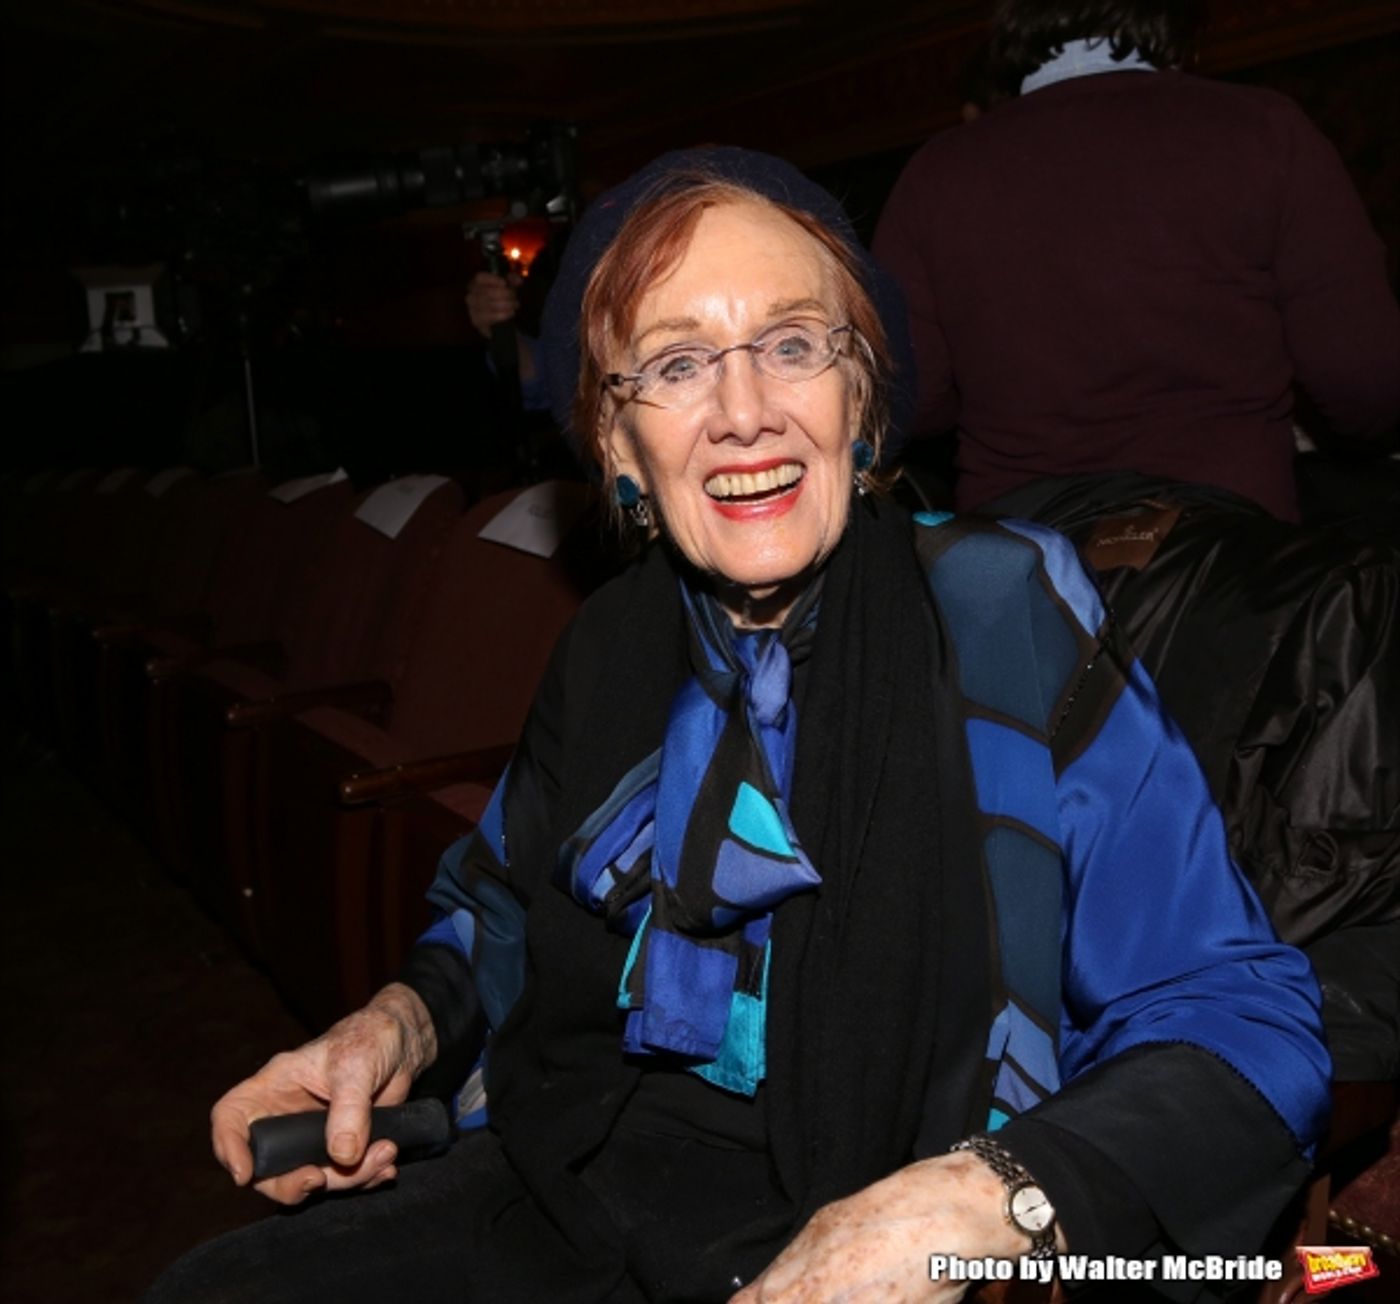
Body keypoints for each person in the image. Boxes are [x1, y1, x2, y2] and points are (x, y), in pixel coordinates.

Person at [148, 147, 1330, 1304]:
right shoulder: (606, 641)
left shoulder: (1001, 608)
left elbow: (1239, 1018)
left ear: (859, 397)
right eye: (673, 364)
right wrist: (394, 1025)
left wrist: (986, 1202)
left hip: (882, 1223)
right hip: (574, 1167)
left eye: (791, 344)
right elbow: (499, 907)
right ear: (616, 444)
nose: (743, 411)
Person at [873, 0, 1400, 522]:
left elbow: (904, 399)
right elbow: (1363, 379)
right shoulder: (1264, 130)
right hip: (1229, 555)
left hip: (1026, 561)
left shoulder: (935, 175)